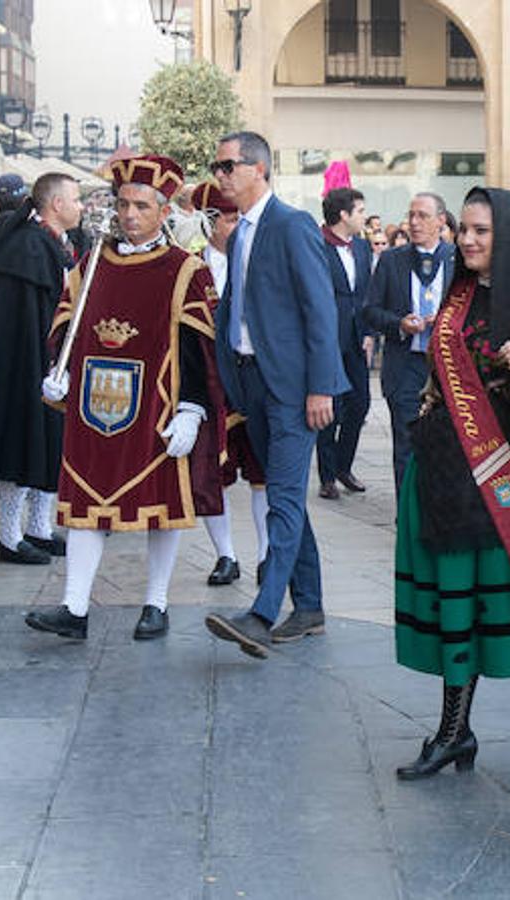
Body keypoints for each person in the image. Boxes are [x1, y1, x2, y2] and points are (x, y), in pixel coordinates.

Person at [392, 187, 510, 779]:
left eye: (481, 231)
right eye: (463, 228)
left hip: (505, 483)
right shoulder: (459, 296)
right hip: (445, 474)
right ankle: (454, 731)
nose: (466, 240)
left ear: (509, 237)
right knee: (455, 607)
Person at [22, 154, 223, 642]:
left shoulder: (185, 270)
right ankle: (74, 607)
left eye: (141, 206)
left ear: (163, 211)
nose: (129, 215)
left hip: (155, 408)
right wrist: (60, 370)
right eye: (123, 204)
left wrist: (193, 411)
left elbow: (199, 351)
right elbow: (68, 328)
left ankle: (156, 602)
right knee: (84, 506)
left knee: (161, 506)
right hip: (93, 409)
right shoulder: (92, 263)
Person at [203, 131, 347, 657]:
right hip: (253, 385)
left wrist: (320, 386)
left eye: (227, 166)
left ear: (258, 169)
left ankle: (262, 613)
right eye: (217, 167)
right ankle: (308, 606)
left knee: (282, 500)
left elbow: (320, 310)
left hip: (293, 391)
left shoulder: (293, 225)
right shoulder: (239, 233)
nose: (220, 175)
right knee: (286, 500)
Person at [0, 171, 81, 565]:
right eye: (76, 199)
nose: (81, 206)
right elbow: (25, 319)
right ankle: (10, 535)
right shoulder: (28, 246)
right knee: (22, 443)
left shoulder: (46, 242)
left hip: (47, 361)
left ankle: (39, 526)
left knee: (48, 442)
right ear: (56, 205)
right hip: (24, 364)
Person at [185, 180, 264, 586]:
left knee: (262, 471)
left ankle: (267, 554)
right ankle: (226, 555)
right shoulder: (189, 268)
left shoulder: (258, 258)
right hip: (211, 384)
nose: (237, 226)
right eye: (230, 219)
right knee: (210, 475)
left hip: (256, 380)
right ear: (211, 222)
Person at [363, 192, 454, 491]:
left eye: (423, 216)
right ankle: (406, 519)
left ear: (441, 220)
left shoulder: (457, 260)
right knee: (405, 444)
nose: (414, 222)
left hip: (447, 370)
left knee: (445, 446)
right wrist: (399, 324)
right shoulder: (392, 260)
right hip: (405, 367)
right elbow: (371, 310)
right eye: (411, 215)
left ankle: (438, 516)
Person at [317, 186, 373, 498]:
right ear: (344, 215)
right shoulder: (316, 244)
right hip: (327, 337)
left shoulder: (362, 248)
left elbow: (366, 293)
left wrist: (368, 332)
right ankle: (327, 476)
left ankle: (343, 464)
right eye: (361, 211)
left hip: (356, 336)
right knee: (330, 408)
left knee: (360, 402)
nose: (364, 216)